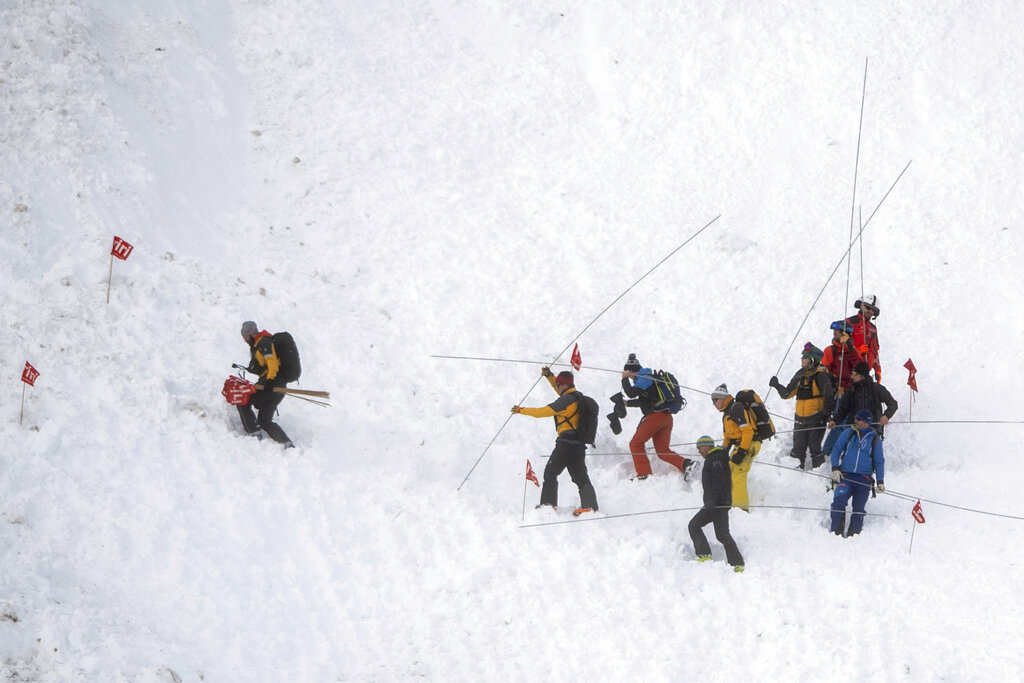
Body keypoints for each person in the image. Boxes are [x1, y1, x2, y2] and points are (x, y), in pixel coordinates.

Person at [512, 368, 598, 516]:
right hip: (578, 445)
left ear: (564, 385)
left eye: (558, 385)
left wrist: (521, 410)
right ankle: (590, 507)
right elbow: (559, 389)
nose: (557, 387)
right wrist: (550, 377)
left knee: (550, 472)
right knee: (580, 477)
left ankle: (548, 505)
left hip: (566, 444)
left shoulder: (566, 400)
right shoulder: (577, 397)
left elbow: (543, 412)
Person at [619, 354, 693, 480]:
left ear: (630, 371)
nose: (631, 380)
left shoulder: (643, 377)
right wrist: (627, 404)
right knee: (662, 450)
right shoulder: (648, 379)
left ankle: (644, 475)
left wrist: (624, 379)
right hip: (666, 418)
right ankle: (687, 465)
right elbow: (644, 401)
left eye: (629, 374)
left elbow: (631, 393)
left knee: (635, 444)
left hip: (656, 417)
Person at [770, 342, 836, 470]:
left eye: (805, 357)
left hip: (816, 419)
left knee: (815, 450)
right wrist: (777, 385)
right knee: (797, 451)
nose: (802, 359)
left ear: (812, 360)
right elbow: (787, 394)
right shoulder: (800, 375)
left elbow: (829, 397)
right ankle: (794, 477)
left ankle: (818, 477)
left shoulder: (821, 376)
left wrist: (826, 415)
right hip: (800, 419)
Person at [688, 435, 744, 572]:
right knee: (698, 526)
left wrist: (711, 500)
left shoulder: (716, 459)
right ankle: (706, 554)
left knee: (719, 533)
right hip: (715, 503)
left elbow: (718, 482)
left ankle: (737, 563)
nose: (699, 451)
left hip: (718, 504)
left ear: (707, 446)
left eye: (700, 448)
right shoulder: (713, 459)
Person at [238, 320, 294, 447]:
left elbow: (272, 363)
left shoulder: (264, 342)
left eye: (245, 337)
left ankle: (254, 433)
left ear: (250, 333)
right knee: (265, 421)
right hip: (278, 386)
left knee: (243, 400)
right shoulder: (259, 345)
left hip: (272, 385)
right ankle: (287, 444)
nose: (245, 340)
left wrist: (269, 381)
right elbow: (264, 367)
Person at [829, 409, 885, 536]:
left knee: (859, 509)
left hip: (864, 479)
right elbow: (836, 450)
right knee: (838, 502)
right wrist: (835, 468)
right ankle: (836, 532)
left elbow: (879, 461)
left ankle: (854, 536)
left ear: (866, 422)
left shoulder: (875, 439)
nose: (855, 421)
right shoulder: (848, 433)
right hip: (845, 476)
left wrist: (880, 481)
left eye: (858, 419)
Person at [711, 383, 759, 512]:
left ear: (721, 399)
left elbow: (748, 432)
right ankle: (731, 506)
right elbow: (728, 437)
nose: (713, 404)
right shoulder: (727, 413)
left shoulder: (736, 408)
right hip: (741, 444)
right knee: (730, 473)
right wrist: (722, 452)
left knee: (738, 474)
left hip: (749, 443)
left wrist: (742, 452)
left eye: (714, 401)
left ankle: (741, 509)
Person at [845, 294, 882, 381]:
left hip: (864, 375)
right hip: (848, 372)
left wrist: (878, 370)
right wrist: (858, 351)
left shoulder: (873, 329)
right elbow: (840, 347)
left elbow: (875, 352)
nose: (870, 311)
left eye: (872, 310)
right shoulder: (849, 323)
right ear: (860, 306)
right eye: (867, 307)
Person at [821, 320, 862, 395]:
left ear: (845, 333)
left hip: (854, 392)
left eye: (837, 331)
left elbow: (861, 369)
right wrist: (834, 386)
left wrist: (849, 347)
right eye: (834, 330)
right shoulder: (829, 350)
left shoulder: (855, 351)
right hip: (836, 392)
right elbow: (824, 373)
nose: (834, 332)